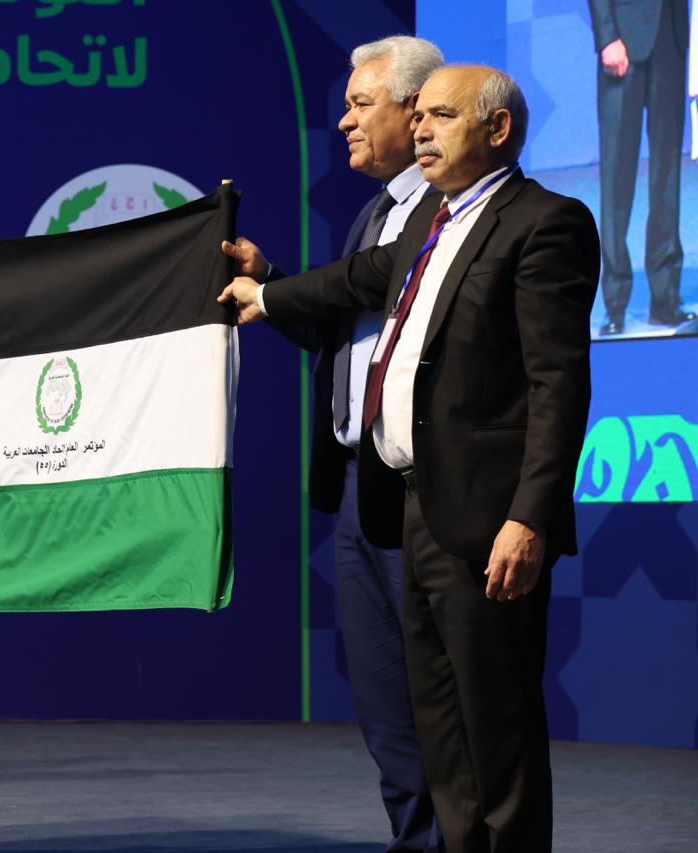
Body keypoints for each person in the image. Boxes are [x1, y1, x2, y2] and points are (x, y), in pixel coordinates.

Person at [221, 66, 598, 852]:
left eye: (441, 116)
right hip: (409, 508)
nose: (421, 130)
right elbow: (355, 279)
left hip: (486, 518)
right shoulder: (430, 218)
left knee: (495, 726)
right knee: (440, 729)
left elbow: (557, 385)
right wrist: (268, 289)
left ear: (497, 129)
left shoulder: (545, 223)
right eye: (418, 115)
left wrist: (529, 516)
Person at [221, 35, 443, 852]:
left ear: (415, 112)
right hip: (356, 487)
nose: (343, 121)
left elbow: (379, 277)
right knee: (384, 700)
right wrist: (271, 282)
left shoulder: (445, 208)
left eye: (359, 104)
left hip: (420, 490)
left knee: (434, 696)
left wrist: (278, 292)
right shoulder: (375, 209)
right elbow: (344, 332)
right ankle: (416, 840)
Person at [589, 0, 692, 334]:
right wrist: (607, 37)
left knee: (667, 173)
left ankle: (665, 298)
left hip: (671, 37)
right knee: (617, 176)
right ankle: (615, 301)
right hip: (622, 37)